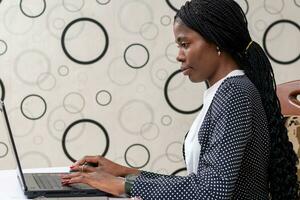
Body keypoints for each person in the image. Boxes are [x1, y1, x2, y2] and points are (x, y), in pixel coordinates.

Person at [61, 0, 299, 199]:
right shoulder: (223, 92)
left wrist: (124, 185)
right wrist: (126, 174)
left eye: (185, 44)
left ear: (217, 42)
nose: (178, 55)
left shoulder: (236, 93)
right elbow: (201, 184)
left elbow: (212, 191)